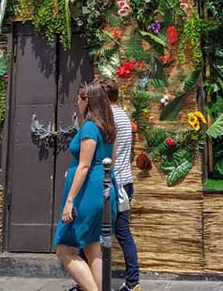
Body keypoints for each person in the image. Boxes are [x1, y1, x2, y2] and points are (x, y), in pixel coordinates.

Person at [55, 82, 118, 291]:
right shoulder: (108, 127)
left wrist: (70, 200)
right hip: (105, 187)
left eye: (79, 99)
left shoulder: (90, 127)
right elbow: (113, 160)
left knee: (65, 250)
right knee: (92, 247)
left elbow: (84, 166)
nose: (77, 103)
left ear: (87, 101)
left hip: (87, 192)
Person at [100, 79, 141, 291]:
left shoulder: (109, 118)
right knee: (123, 232)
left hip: (113, 182)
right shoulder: (124, 116)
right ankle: (133, 282)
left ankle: (91, 282)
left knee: (98, 231)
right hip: (126, 180)